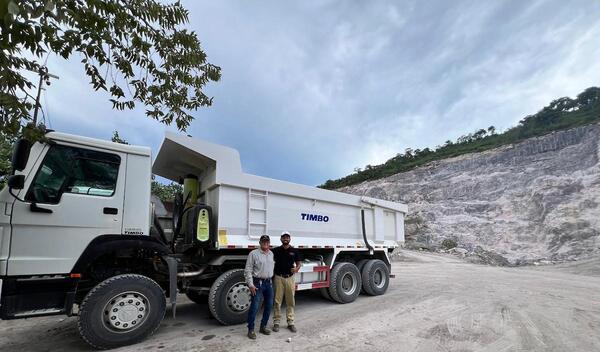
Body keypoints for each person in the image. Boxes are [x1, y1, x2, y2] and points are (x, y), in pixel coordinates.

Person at [244, 234, 275, 339]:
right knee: (255, 307)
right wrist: (251, 284)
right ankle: (251, 329)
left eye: (267, 241)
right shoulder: (253, 254)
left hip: (269, 283)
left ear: (269, 243)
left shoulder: (271, 253)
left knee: (269, 306)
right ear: (260, 243)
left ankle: (263, 326)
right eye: (263, 241)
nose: (265, 243)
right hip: (257, 283)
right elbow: (248, 270)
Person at [272, 231, 302, 333]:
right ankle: (276, 322)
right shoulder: (275, 250)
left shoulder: (294, 250)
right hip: (278, 278)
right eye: (284, 237)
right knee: (277, 301)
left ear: (290, 239)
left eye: (287, 237)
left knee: (290, 301)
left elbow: (299, 263)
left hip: (290, 278)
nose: (285, 239)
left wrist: (297, 269)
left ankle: (290, 322)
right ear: (281, 239)